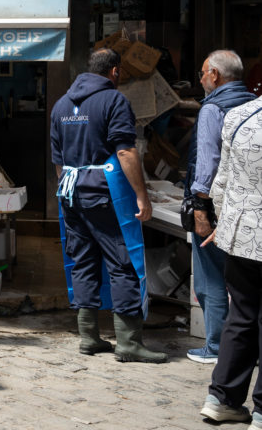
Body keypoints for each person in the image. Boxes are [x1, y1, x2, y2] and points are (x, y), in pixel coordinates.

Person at [50, 48, 167, 363]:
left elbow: (58, 163)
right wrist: (142, 196)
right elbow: (126, 152)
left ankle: (89, 337)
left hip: (71, 194)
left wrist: (70, 192)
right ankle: (129, 343)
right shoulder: (114, 101)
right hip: (104, 194)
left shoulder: (61, 105)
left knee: (84, 261)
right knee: (122, 261)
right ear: (115, 71)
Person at [182, 50, 255, 364]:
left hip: (214, 208)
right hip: (246, 209)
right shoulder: (254, 104)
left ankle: (215, 346)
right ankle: (245, 349)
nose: (200, 80)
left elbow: (208, 163)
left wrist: (200, 208)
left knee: (210, 277)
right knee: (243, 282)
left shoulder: (213, 108)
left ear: (215, 74)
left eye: (202, 73)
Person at [198, 94, 262, 425]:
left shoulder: (239, 116)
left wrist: (224, 224)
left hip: (241, 234)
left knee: (241, 316)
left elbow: (221, 182)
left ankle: (222, 398)